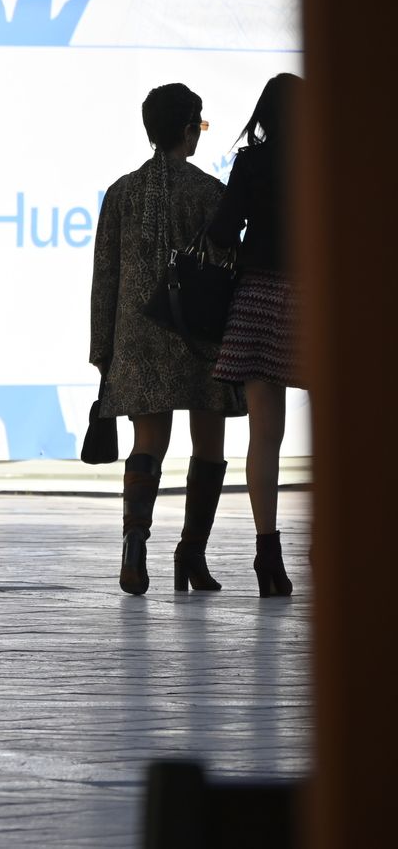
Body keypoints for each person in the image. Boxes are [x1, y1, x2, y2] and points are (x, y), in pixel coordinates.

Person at [89, 82, 245, 595]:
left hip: (137, 339)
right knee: (210, 444)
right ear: (186, 130)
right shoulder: (209, 192)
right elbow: (228, 270)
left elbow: (104, 278)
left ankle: (135, 545)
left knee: (148, 444)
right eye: (198, 126)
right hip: (199, 339)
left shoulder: (120, 193)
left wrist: (103, 355)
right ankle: (191, 556)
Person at [208, 73, 303, 598]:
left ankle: (269, 553)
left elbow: (224, 231)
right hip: (316, 301)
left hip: (257, 299)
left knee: (264, 436)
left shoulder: (251, 161)